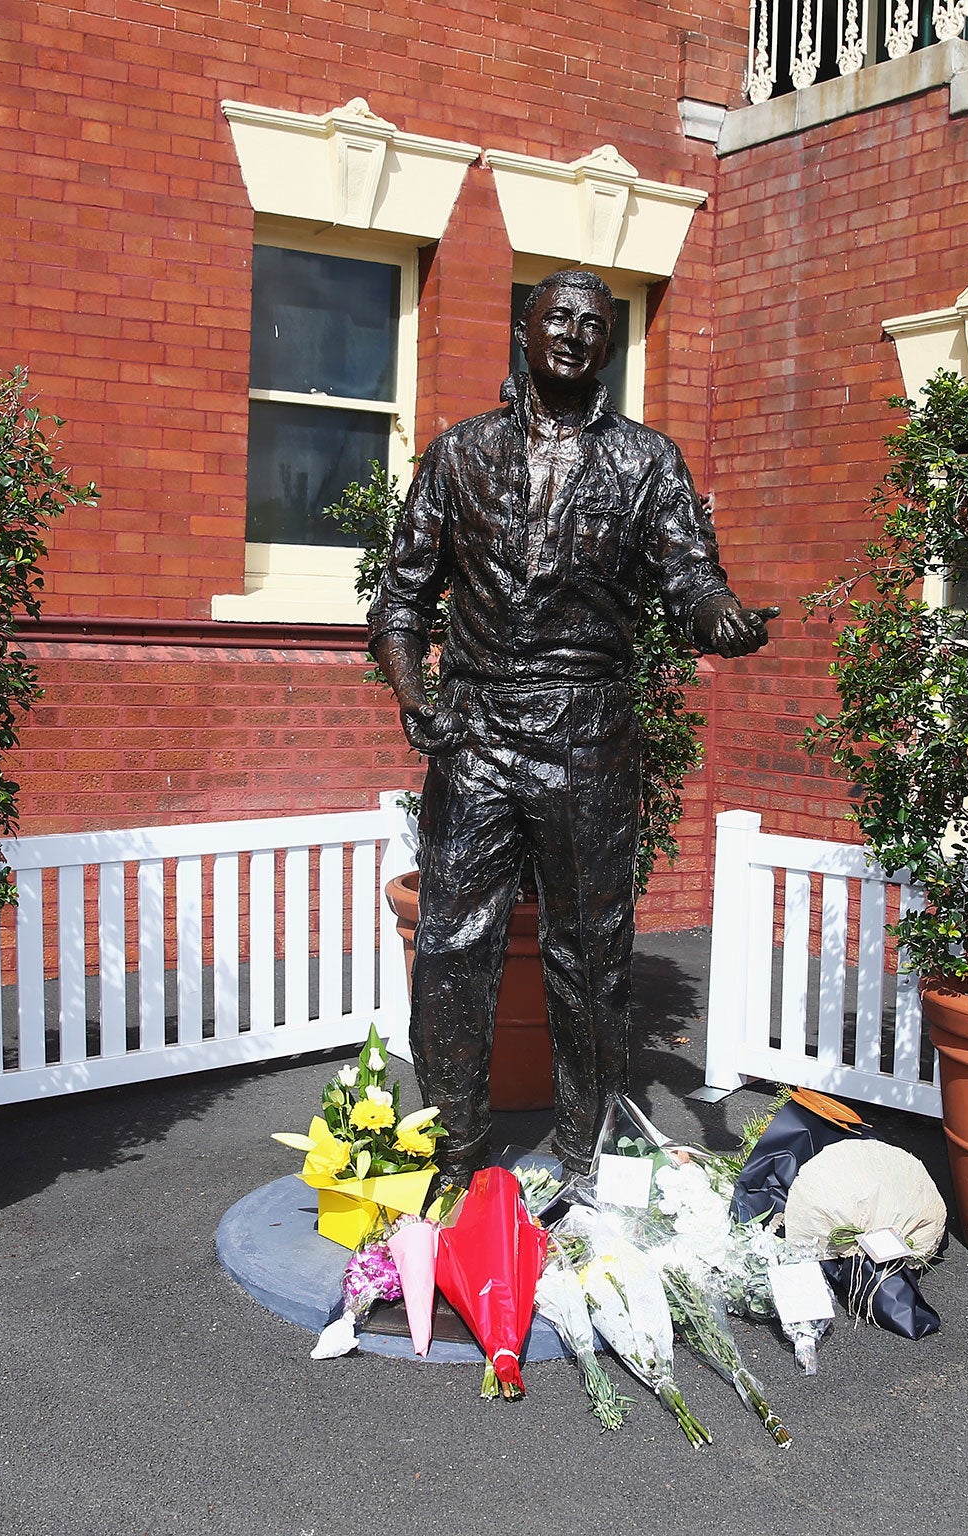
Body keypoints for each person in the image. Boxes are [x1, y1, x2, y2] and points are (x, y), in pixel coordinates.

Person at [368, 268, 774, 1181]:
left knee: (590, 953)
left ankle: (585, 1156)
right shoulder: (458, 455)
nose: (574, 334)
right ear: (525, 327)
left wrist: (721, 619)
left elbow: (689, 576)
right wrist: (414, 695)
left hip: (587, 730)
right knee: (448, 948)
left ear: (608, 345)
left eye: (595, 323)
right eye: (558, 317)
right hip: (475, 728)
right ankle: (453, 1152)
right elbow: (400, 602)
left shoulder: (646, 462)